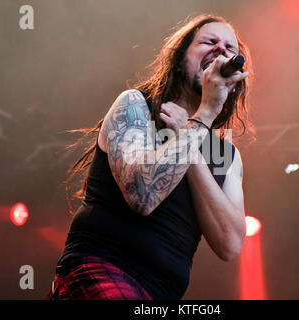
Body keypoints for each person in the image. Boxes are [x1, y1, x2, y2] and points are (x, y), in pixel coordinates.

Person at [50, 14, 256, 300]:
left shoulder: (227, 155)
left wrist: (192, 134)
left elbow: (230, 245)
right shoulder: (135, 106)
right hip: (102, 268)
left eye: (230, 49)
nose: (221, 50)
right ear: (181, 57)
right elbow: (142, 195)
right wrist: (204, 115)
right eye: (210, 41)